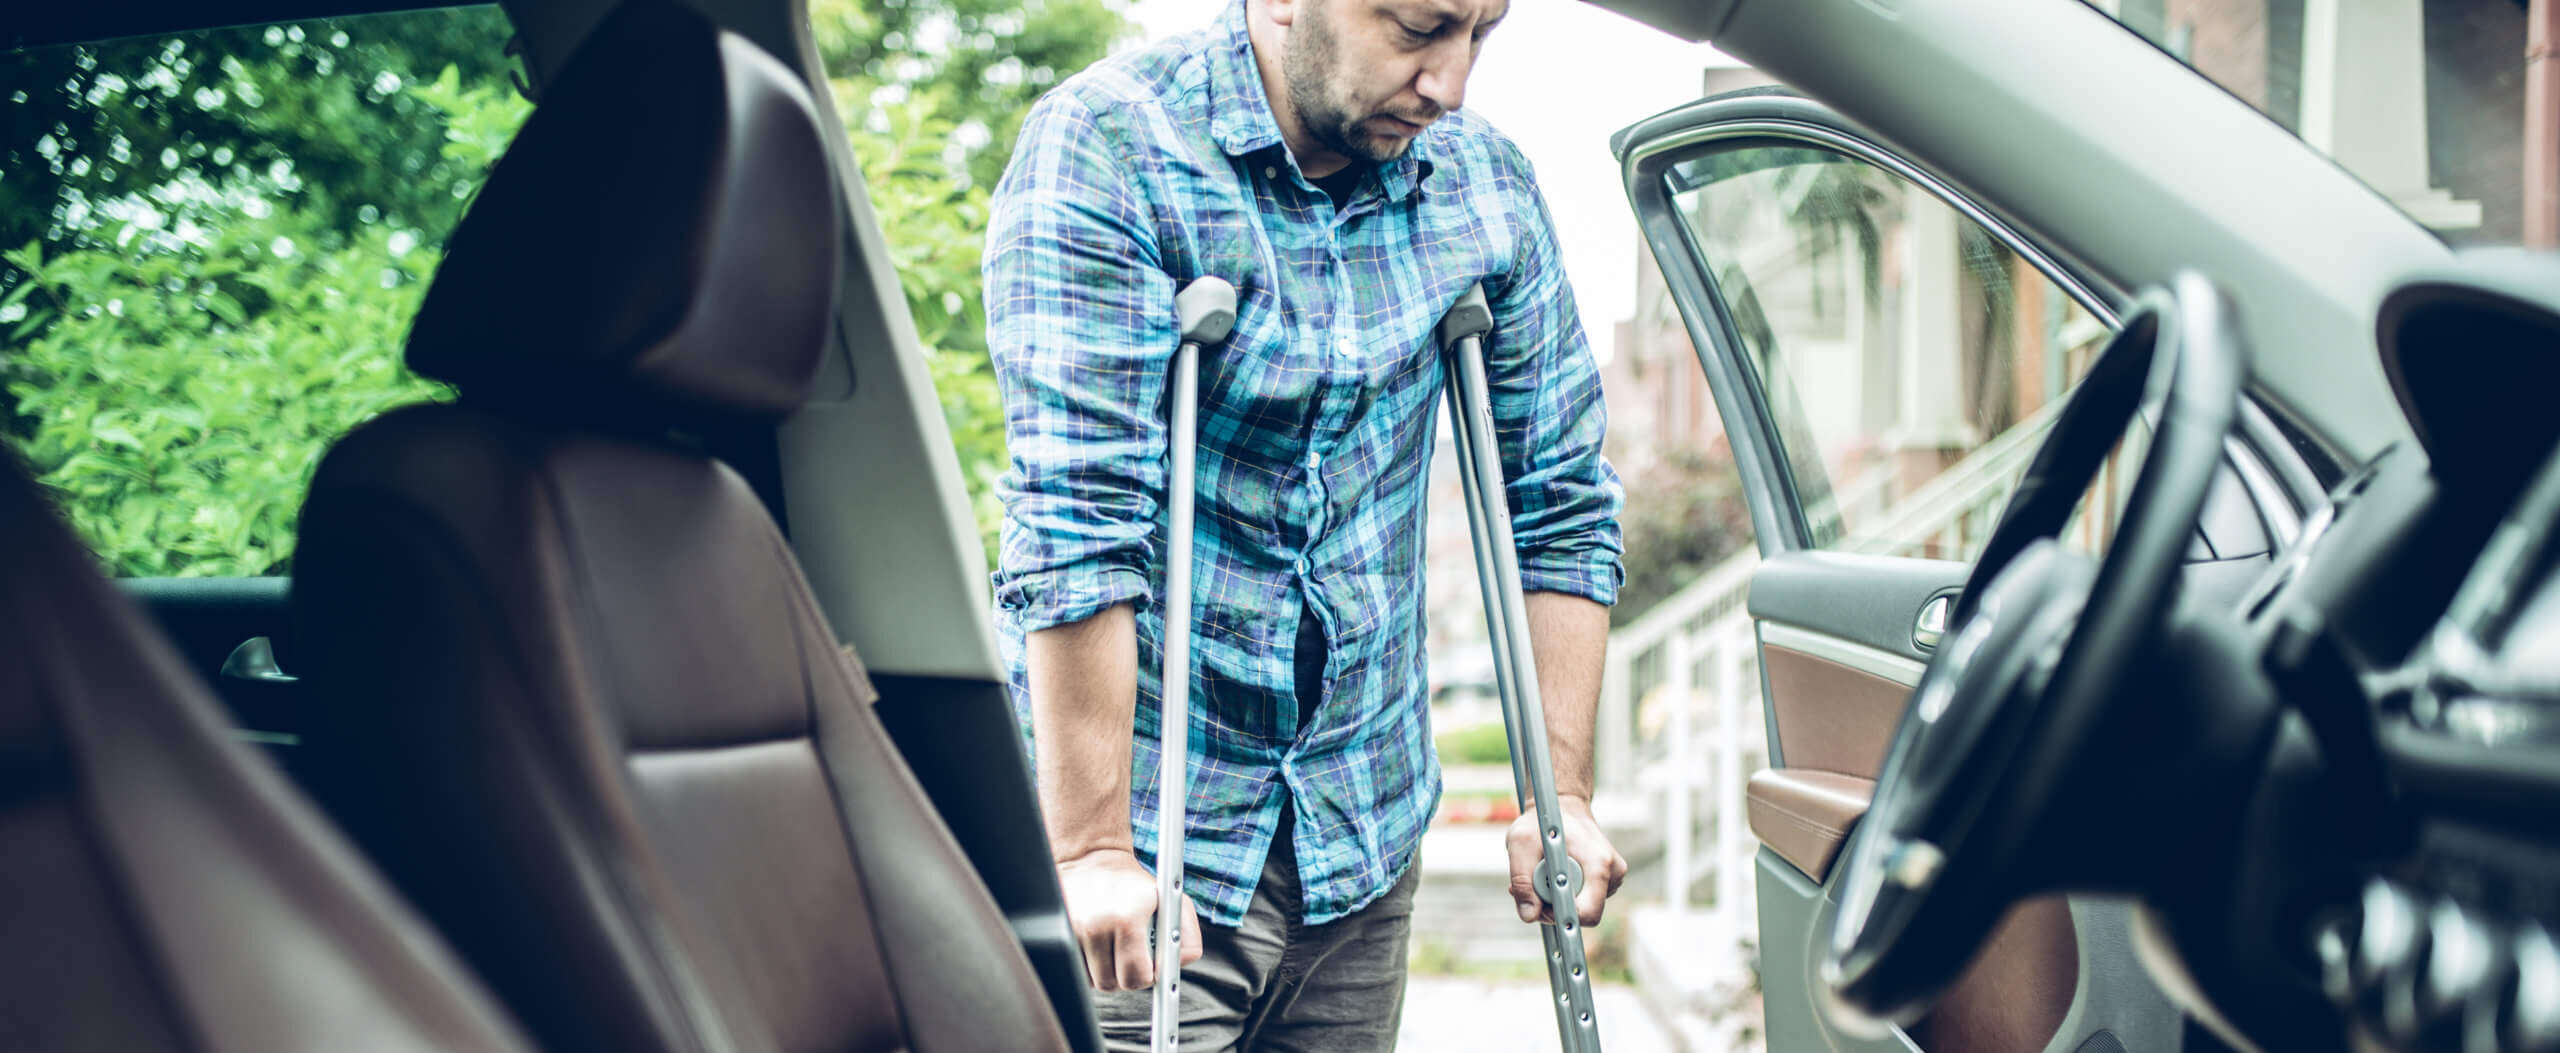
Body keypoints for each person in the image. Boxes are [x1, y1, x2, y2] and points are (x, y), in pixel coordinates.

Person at [982, 0, 1626, 1048]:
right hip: (1148, 846)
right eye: (1420, 28)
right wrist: (1091, 847)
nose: (1451, 84)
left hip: (1361, 828)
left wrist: (1562, 797)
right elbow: (1076, 526)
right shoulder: (1110, 146)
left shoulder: (1483, 184)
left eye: (1482, 34)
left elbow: (1554, 499)